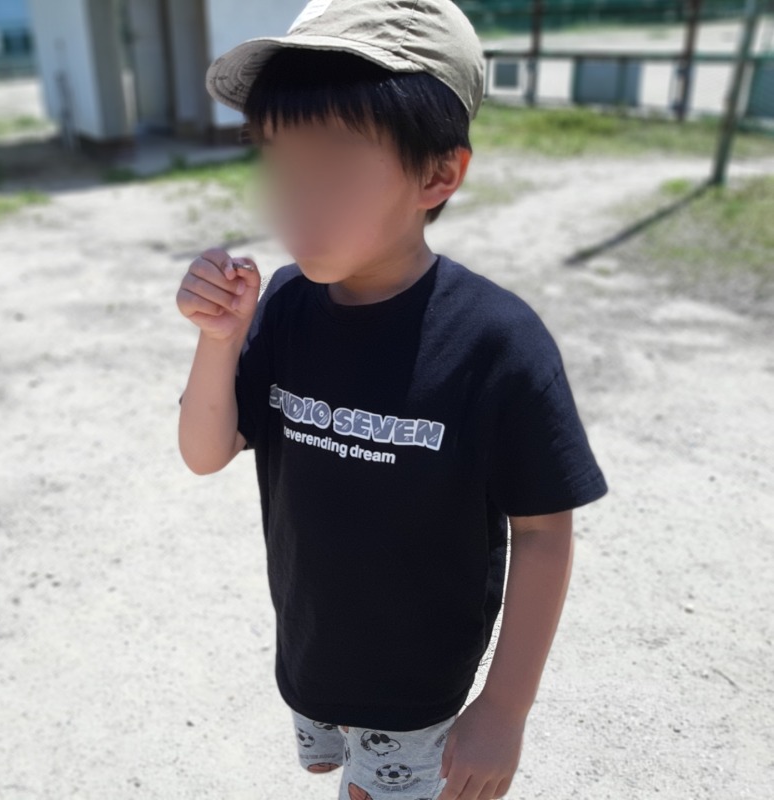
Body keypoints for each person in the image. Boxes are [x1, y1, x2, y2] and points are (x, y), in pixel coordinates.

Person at [175, 2, 609, 798]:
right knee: (332, 760)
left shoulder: (496, 342)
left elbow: (544, 532)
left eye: (334, 163)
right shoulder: (283, 303)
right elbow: (205, 454)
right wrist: (219, 339)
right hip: (312, 654)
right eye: (277, 158)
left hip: (416, 687)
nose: (294, 196)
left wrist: (505, 708)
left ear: (437, 174)